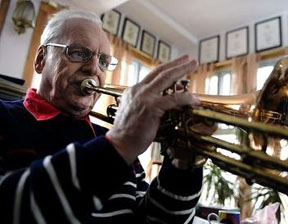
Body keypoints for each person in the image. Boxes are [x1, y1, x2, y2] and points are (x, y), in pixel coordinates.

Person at [0, 9, 207, 224]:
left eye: (104, 62)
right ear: (41, 59)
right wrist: (119, 145)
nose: (93, 69)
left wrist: (182, 167)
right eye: (79, 52)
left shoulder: (112, 140)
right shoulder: (5, 116)